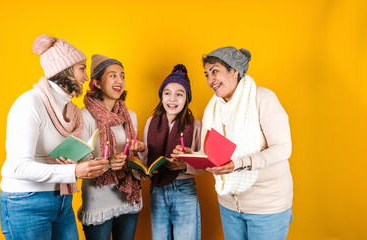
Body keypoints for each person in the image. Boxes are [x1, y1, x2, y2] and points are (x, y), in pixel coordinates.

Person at [0, 34, 109, 240]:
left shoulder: (72, 112)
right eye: (82, 69)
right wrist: (74, 170)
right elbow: (18, 167)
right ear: (65, 70)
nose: (86, 78)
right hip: (26, 203)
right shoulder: (29, 104)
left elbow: (70, 159)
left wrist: (99, 164)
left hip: (62, 200)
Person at [178, 46, 293, 240]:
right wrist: (190, 157)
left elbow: (283, 148)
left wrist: (238, 164)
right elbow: (211, 157)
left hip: (267, 207)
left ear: (234, 70)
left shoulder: (262, 98)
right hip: (229, 206)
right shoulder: (213, 108)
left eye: (215, 71)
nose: (210, 80)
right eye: (207, 74)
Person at [77, 54, 146, 240]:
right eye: (113, 75)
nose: (119, 81)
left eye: (122, 76)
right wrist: (108, 163)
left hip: (128, 197)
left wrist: (139, 153)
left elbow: (133, 158)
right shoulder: (84, 116)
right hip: (98, 200)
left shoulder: (130, 116)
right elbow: (80, 162)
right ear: (97, 83)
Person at [138, 64, 203, 240]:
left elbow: (203, 163)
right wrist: (141, 151)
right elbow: (145, 158)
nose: (172, 99)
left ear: (186, 98)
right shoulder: (151, 122)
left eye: (179, 94)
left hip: (184, 189)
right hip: (156, 189)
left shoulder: (195, 125)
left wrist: (184, 165)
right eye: (167, 93)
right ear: (161, 96)